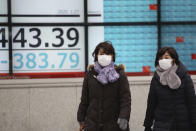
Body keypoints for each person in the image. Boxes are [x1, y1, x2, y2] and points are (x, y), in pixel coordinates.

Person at [77, 41, 131, 131]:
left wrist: (124, 117)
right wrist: (81, 118)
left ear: (112, 56)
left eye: (108, 53)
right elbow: (84, 100)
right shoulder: (90, 74)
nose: (104, 56)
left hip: (114, 125)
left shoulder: (120, 74)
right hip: (92, 125)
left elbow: (125, 100)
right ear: (96, 56)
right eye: (101, 54)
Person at [143, 47, 196, 131]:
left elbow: (192, 102)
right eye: (160, 58)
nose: (163, 60)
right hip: (161, 125)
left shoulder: (184, 75)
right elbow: (151, 104)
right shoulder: (156, 78)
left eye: (166, 58)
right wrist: (147, 125)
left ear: (173, 59)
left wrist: (194, 123)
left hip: (182, 124)